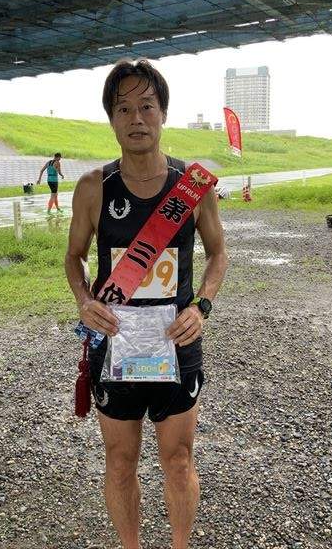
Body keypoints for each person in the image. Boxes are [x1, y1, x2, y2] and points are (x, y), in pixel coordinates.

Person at [65, 59, 227, 549]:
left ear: (163, 114)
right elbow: (74, 257)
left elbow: (218, 254)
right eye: (124, 108)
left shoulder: (192, 187)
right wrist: (84, 300)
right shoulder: (93, 188)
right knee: (119, 462)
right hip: (114, 346)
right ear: (112, 119)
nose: (136, 118)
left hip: (176, 344)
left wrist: (201, 306)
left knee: (178, 460)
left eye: (147, 107)